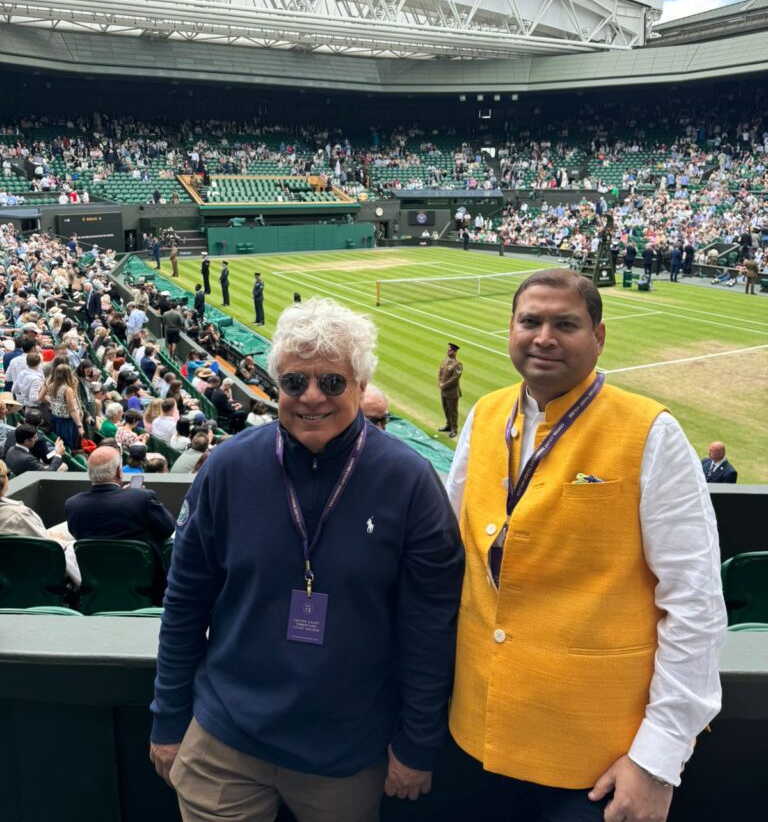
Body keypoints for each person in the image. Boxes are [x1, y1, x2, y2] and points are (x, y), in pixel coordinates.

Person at [149, 296, 463, 821]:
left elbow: (431, 624)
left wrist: (417, 741)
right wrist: (166, 719)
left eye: (332, 382)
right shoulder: (227, 467)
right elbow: (184, 603)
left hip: (346, 751)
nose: (311, 397)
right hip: (225, 740)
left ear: (361, 388)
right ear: (277, 387)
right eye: (295, 382)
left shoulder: (409, 481)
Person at [446, 269, 726, 822]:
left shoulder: (652, 433)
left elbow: (695, 603)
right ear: (510, 329)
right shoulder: (483, 417)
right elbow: (451, 558)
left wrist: (656, 760)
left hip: (596, 767)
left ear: (598, 337)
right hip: (475, 741)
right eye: (531, 321)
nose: (544, 337)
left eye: (565, 324)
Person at [65, 445, 175, 561]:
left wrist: (124, 494)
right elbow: (168, 527)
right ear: (118, 472)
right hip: (143, 576)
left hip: (96, 576)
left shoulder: (72, 505)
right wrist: (133, 495)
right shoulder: (142, 498)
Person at [438, 342, 462, 438]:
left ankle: (454, 429)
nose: (448, 351)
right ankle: (448, 425)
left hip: (452, 392)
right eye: (448, 349)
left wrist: (444, 385)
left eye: (450, 350)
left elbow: (455, 378)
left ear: (455, 352)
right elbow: (440, 373)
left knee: (453, 412)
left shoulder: (458, 364)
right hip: (444, 391)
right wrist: (440, 381)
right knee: (446, 409)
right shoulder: (444, 361)